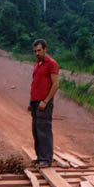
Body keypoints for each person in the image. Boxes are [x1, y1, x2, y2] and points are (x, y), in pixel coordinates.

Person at [28, 38, 59, 168]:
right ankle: (40, 157)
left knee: (44, 130)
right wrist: (31, 102)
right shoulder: (37, 63)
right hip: (35, 102)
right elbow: (36, 83)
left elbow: (55, 85)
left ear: (45, 49)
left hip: (44, 103)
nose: (37, 53)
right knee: (36, 130)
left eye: (39, 50)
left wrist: (45, 101)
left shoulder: (51, 63)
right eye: (35, 51)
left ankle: (46, 160)